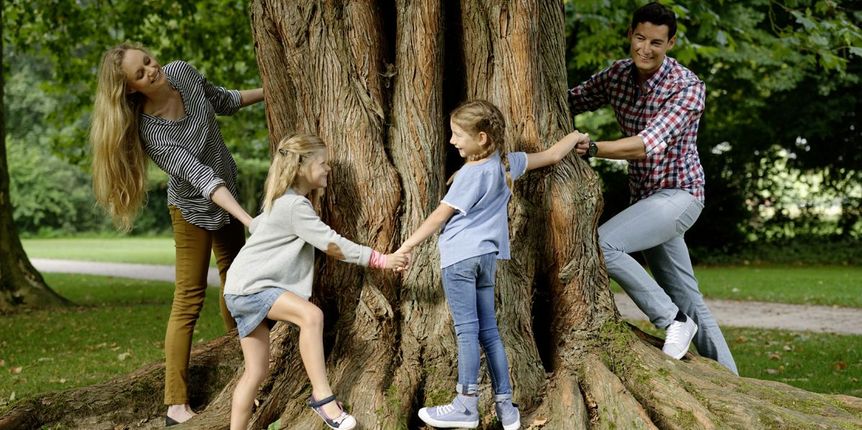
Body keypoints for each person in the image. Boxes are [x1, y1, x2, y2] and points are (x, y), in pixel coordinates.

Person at [89, 43, 265, 425]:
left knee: (238, 284)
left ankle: (249, 372)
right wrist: (248, 219)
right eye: (140, 73)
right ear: (131, 89)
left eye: (148, 61)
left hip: (228, 196)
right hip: (192, 210)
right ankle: (175, 404)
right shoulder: (151, 130)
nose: (151, 71)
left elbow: (223, 99)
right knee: (189, 297)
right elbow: (201, 177)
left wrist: (271, 90)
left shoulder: (183, 72)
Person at [395, 100, 589, 430]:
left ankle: (465, 405)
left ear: (482, 138)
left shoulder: (470, 174)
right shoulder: (504, 163)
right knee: (489, 332)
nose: (453, 141)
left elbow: (438, 218)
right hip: (487, 259)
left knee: (466, 331)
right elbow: (553, 155)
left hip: (459, 259)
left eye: (458, 135)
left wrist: (406, 246)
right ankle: (506, 406)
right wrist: (576, 135)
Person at [568, 2, 738, 374]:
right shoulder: (617, 76)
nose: (646, 49)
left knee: (601, 244)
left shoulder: (687, 88)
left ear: (670, 43)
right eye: (640, 38)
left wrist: (593, 148)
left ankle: (671, 321)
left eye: (656, 43)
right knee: (691, 300)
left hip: (680, 197)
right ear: (630, 35)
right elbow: (568, 100)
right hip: (646, 201)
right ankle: (734, 382)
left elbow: (646, 144)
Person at [223, 133, 408, 430]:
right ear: (300, 167)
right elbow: (331, 244)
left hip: (238, 289)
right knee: (311, 316)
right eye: (322, 163)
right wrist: (380, 259)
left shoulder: (279, 202)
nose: (328, 169)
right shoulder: (294, 206)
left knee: (256, 372)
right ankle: (323, 398)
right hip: (253, 288)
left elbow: (259, 227)